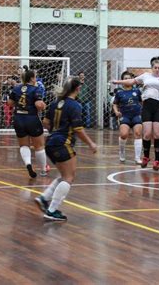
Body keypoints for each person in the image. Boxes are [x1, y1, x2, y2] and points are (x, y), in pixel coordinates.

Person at [35, 76, 97, 221]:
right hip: (63, 143)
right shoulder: (75, 105)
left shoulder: (56, 103)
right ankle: (51, 210)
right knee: (69, 177)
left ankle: (44, 198)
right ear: (78, 89)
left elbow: (45, 122)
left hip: (51, 142)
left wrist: (56, 129)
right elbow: (78, 129)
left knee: (64, 175)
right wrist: (90, 143)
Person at [112, 56, 159, 170]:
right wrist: (118, 81)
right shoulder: (145, 76)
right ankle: (146, 157)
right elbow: (131, 81)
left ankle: (157, 160)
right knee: (147, 134)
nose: (157, 69)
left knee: (158, 134)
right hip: (147, 107)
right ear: (152, 67)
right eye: (155, 67)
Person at [8, 66, 48, 178]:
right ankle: (43, 170)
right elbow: (38, 105)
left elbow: (10, 103)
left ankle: (28, 164)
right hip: (31, 118)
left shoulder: (16, 88)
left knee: (24, 145)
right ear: (31, 78)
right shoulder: (36, 89)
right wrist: (43, 106)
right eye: (35, 77)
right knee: (39, 146)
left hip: (18, 119)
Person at [113, 71, 143, 164]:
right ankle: (122, 152)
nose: (127, 80)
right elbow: (114, 104)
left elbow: (142, 102)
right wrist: (116, 112)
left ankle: (137, 158)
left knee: (138, 133)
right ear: (122, 80)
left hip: (136, 115)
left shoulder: (137, 91)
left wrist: (142, 112)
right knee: (124, 134)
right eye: (125, 79)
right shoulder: (119, 92)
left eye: (128, 78)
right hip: (125, 116)